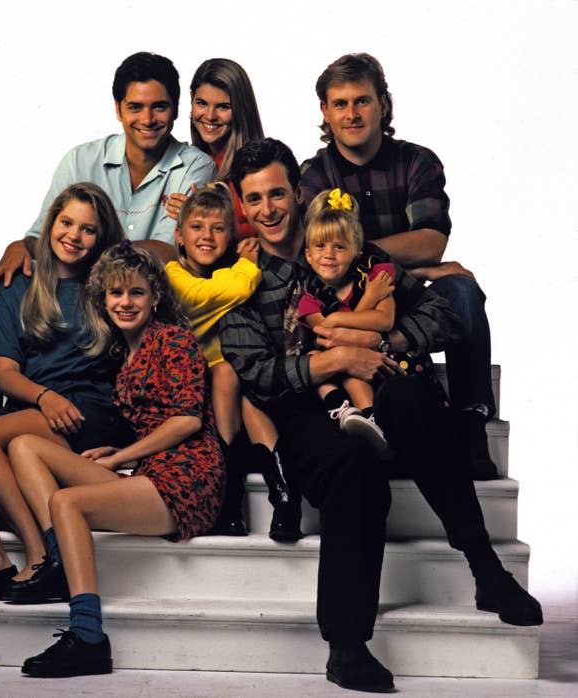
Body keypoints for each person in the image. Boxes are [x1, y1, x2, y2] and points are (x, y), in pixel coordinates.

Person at [219, 138, 543, 693]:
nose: (269, 209)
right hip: (307, 415)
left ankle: (485, 569)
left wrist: (383, 341)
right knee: (351, 464)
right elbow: (256, 371)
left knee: (413, 398)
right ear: (243, 209)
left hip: (385, 391)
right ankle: (347, 645)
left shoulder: (349, 249)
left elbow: (442, 312)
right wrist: (335, 359)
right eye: (254, 200)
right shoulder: (245, 284)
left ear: (298, 194)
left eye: (277, 193)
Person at [0, 51, 215, 418]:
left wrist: (93, 245)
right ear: (118, 109)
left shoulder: (194, 165)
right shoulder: (80, 159)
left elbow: (166, 252)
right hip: (85, 284)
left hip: (143, 296)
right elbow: (42, 235)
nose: (147, 119)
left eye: (159, 107)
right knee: (10, 270)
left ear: (174, 110)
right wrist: (20, 245)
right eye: (135, 107)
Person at [6, 243, 225, 677]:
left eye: (136, 293)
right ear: (103, 300)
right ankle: (58, 562)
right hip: (149, 471)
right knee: (23, 445)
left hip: (189, 477)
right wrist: (114, 452)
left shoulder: (173, 339)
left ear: (155, 297)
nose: (125, 303)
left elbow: (185, 420)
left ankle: (88, 636)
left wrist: (120, 457)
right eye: (116, 294)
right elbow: (149, 422)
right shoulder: (123, 354)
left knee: (67, 502)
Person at [0, 183, 133, 600]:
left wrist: (54, 402)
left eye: (88, 229)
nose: (74, 235)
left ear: (102, 236)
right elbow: (3, 371)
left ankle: (41, 556)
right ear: (50, 223)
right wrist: (42, 396)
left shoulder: (107, 285)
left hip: (86, 409)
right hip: (35, 402)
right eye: (66, 222)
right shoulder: (19, 283)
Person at [300, 52, 498, 479]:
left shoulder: (417, 162)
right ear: (325, 112)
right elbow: (318, 255)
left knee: (461, 289)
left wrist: (381, 261)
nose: (352, 114)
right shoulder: (313, 176)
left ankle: (471, 419)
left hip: (405, 299)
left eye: (362, 101)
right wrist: (412, 264)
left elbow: (430, 241)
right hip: (347, 307)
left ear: (383, 104)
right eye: (340, 104)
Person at [165, 184, 301, 540]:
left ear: (230, 235)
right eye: (196, 227)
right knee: (228, 371)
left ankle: (282, 495)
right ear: (179, 236)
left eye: (218, 228)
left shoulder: (230, 270)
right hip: (181, 386)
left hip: (230, 386)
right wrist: (246, 264)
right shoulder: (173, 276)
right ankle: (229, 498)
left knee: (236, 379)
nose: (207, 236)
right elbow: (215, 293)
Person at [299, 188, 395, 455]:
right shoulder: (309, 296)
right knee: (317, 359)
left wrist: (338, 318)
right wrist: (368, 302)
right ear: (308, 254)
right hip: (336, 362)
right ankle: (344, 410)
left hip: (377, 361)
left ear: (356, 251)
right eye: (320, 246)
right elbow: (325, 332)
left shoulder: (375, 275)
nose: (329, 254)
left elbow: (385, 320)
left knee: (346, 360)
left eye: (339, 246)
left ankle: (372, 418)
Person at [165, 58, 264, 240]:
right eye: (201, 103)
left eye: (223, 107)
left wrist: (197, 215)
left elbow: (265, 231)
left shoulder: (256, 167)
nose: (210, 116)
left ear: (241, 110)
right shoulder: (189, 160)